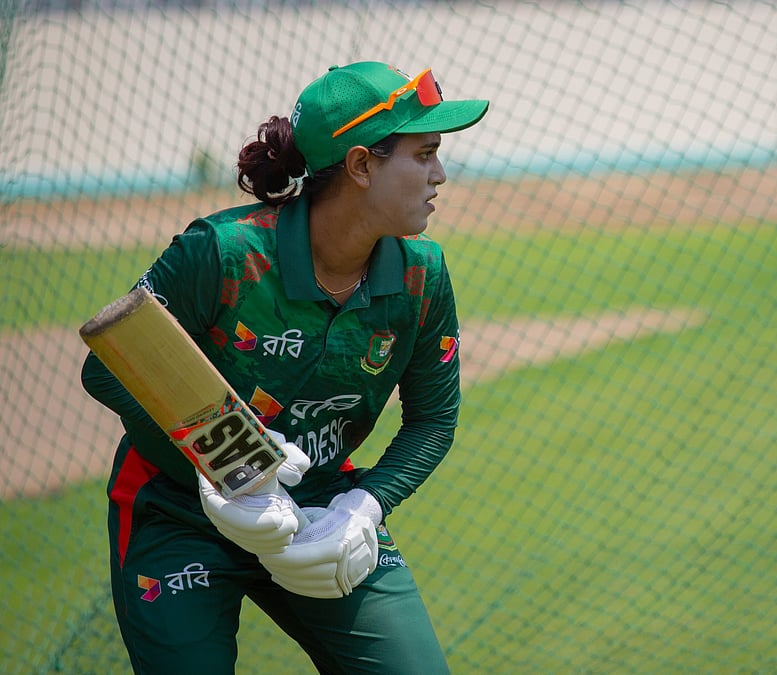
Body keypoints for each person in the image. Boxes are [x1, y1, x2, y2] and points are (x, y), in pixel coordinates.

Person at [81, 61, 488, 674]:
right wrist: (235, 457)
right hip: (177, 514)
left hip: (321, 512)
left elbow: (433, 420)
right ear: (360, 165)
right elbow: (108, 367)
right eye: (425, 153)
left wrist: (365, 507)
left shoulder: (421, 276)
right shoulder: (222, 252)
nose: (440, 175)